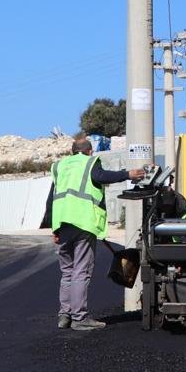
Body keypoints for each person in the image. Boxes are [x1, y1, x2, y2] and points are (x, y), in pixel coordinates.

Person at [43, 135, 144, 331]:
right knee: (81, 271)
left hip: (62, 224)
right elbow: (101, 176)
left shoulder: (60, 166)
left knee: (67, 273)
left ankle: (65, 315)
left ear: (72, 152)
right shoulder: (90, 163)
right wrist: (128, 174)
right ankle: (80, 317)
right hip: (83, 222)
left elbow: (51, 198)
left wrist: (53, 228)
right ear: (90, 151)